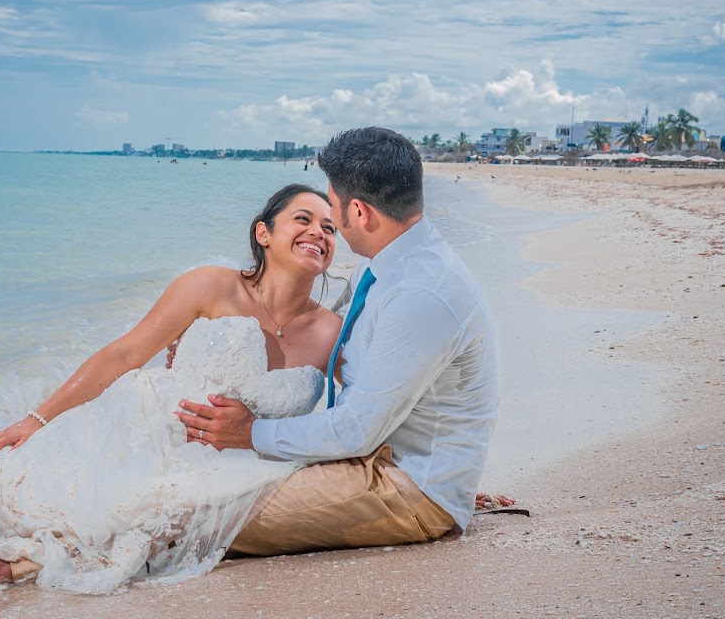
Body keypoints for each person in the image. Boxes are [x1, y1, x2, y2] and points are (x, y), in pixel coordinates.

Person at [0, 184, 345, 592]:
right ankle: (11, 556)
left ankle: (10, 567)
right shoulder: (211, 284)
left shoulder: (332, 332)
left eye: (330, 227)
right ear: (263, 234)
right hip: (146, 434)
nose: (318, 233)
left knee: (166, 508)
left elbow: (368, 405)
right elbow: (124, 355)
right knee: (43, 497)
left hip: (244, 464)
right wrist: (36, 419)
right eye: (303, 220)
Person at [176, 126, 500, 555]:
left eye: (332, 206)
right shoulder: (383, 267)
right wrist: (206, 337)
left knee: (193, 521)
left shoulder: (420, 293)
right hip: (371, 454)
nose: (330, 220)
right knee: (193, 489)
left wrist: (249, 432)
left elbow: (355, 432)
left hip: (405, 486)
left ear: (360, 213)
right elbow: (319, 333)